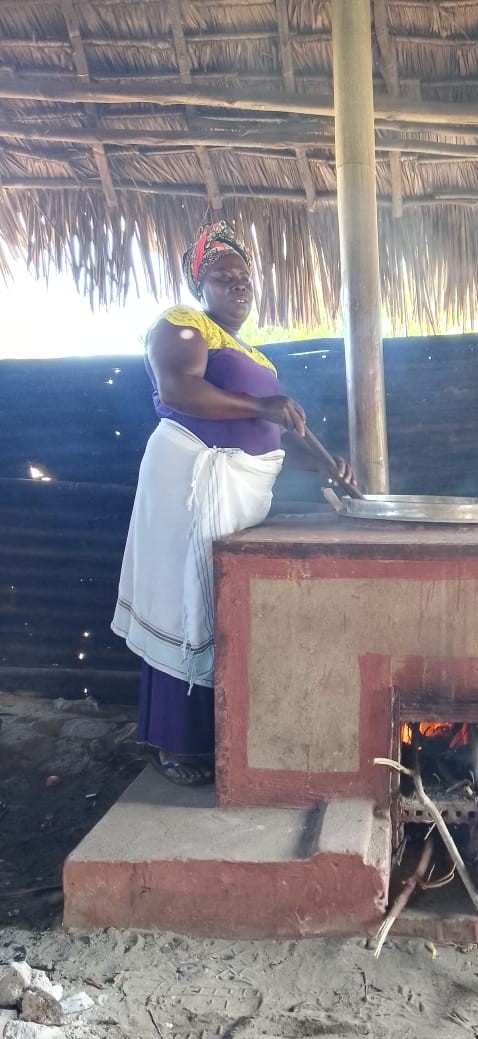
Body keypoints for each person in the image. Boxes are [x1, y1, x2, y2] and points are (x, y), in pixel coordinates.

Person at [111, 221, 353, 785]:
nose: (239, 285)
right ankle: (180, 742)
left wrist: (319, 461)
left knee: (227, 602)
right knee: (193, 600)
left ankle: (224, 733)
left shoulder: (251, 353)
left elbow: (258, 432)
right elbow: (179, 392)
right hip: (194, 478)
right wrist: (263, 406)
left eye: (245, 278)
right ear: (201, 284)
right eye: (224, 276)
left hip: (241, 487)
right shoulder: (184, 325)